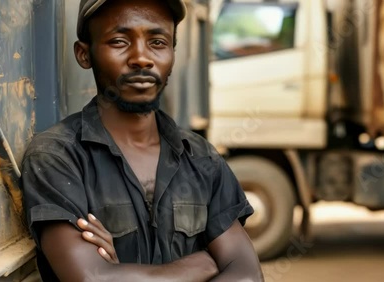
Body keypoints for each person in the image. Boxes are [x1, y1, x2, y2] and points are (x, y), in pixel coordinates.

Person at [20, 0, 264, 281]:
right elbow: (92, 278)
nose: (141, 58)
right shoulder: (58, 157)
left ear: (173, 51)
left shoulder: (202, 159)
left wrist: (119, 273)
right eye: (120, 41)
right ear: (84, 54)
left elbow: (247, 276)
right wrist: (205, 264)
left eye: (157, 42)